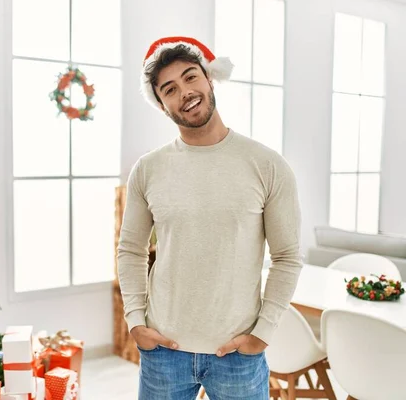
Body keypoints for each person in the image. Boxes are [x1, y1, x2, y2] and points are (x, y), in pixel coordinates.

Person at [117, 36, 303, 400]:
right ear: (160, 104)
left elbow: (287, 258)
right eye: (169, 89)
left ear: (209, 79)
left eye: (190, 77)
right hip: (163, 352)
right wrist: (136, 322)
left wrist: (262, 332)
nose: (184, 92)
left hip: (237, 354)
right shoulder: (147, 170)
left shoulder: (267, 165)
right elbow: (130, 250)